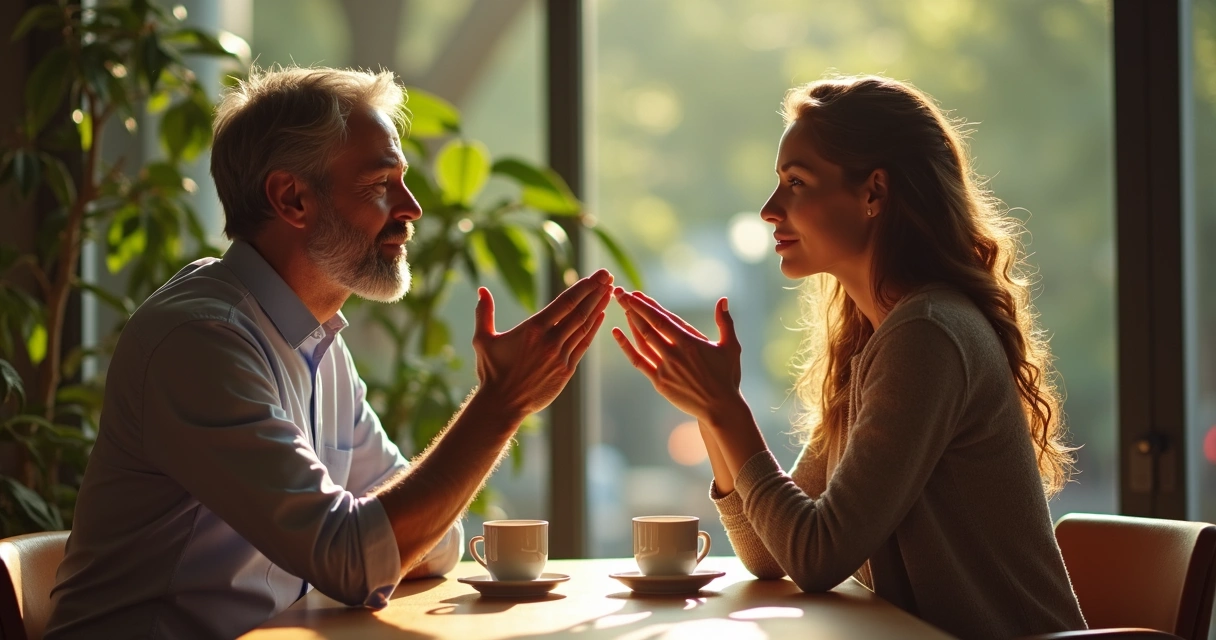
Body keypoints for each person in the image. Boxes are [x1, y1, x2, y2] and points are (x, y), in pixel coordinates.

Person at [46, 66, 613, 639]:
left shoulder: (317, 342)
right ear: (292, 198)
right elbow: (359, 564)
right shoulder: (200, 342)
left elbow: (431, 546)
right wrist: (499, 405)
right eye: (379, 184)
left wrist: (387, 534)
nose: (412, 208)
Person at [610, 75, 1087, 639]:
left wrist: (727, 409)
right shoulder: (876, 339)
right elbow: (770, 553)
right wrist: (714, 412)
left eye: (796, 183)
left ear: (874, 193)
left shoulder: (928, 335)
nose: (769, 209)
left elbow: (817, 558)